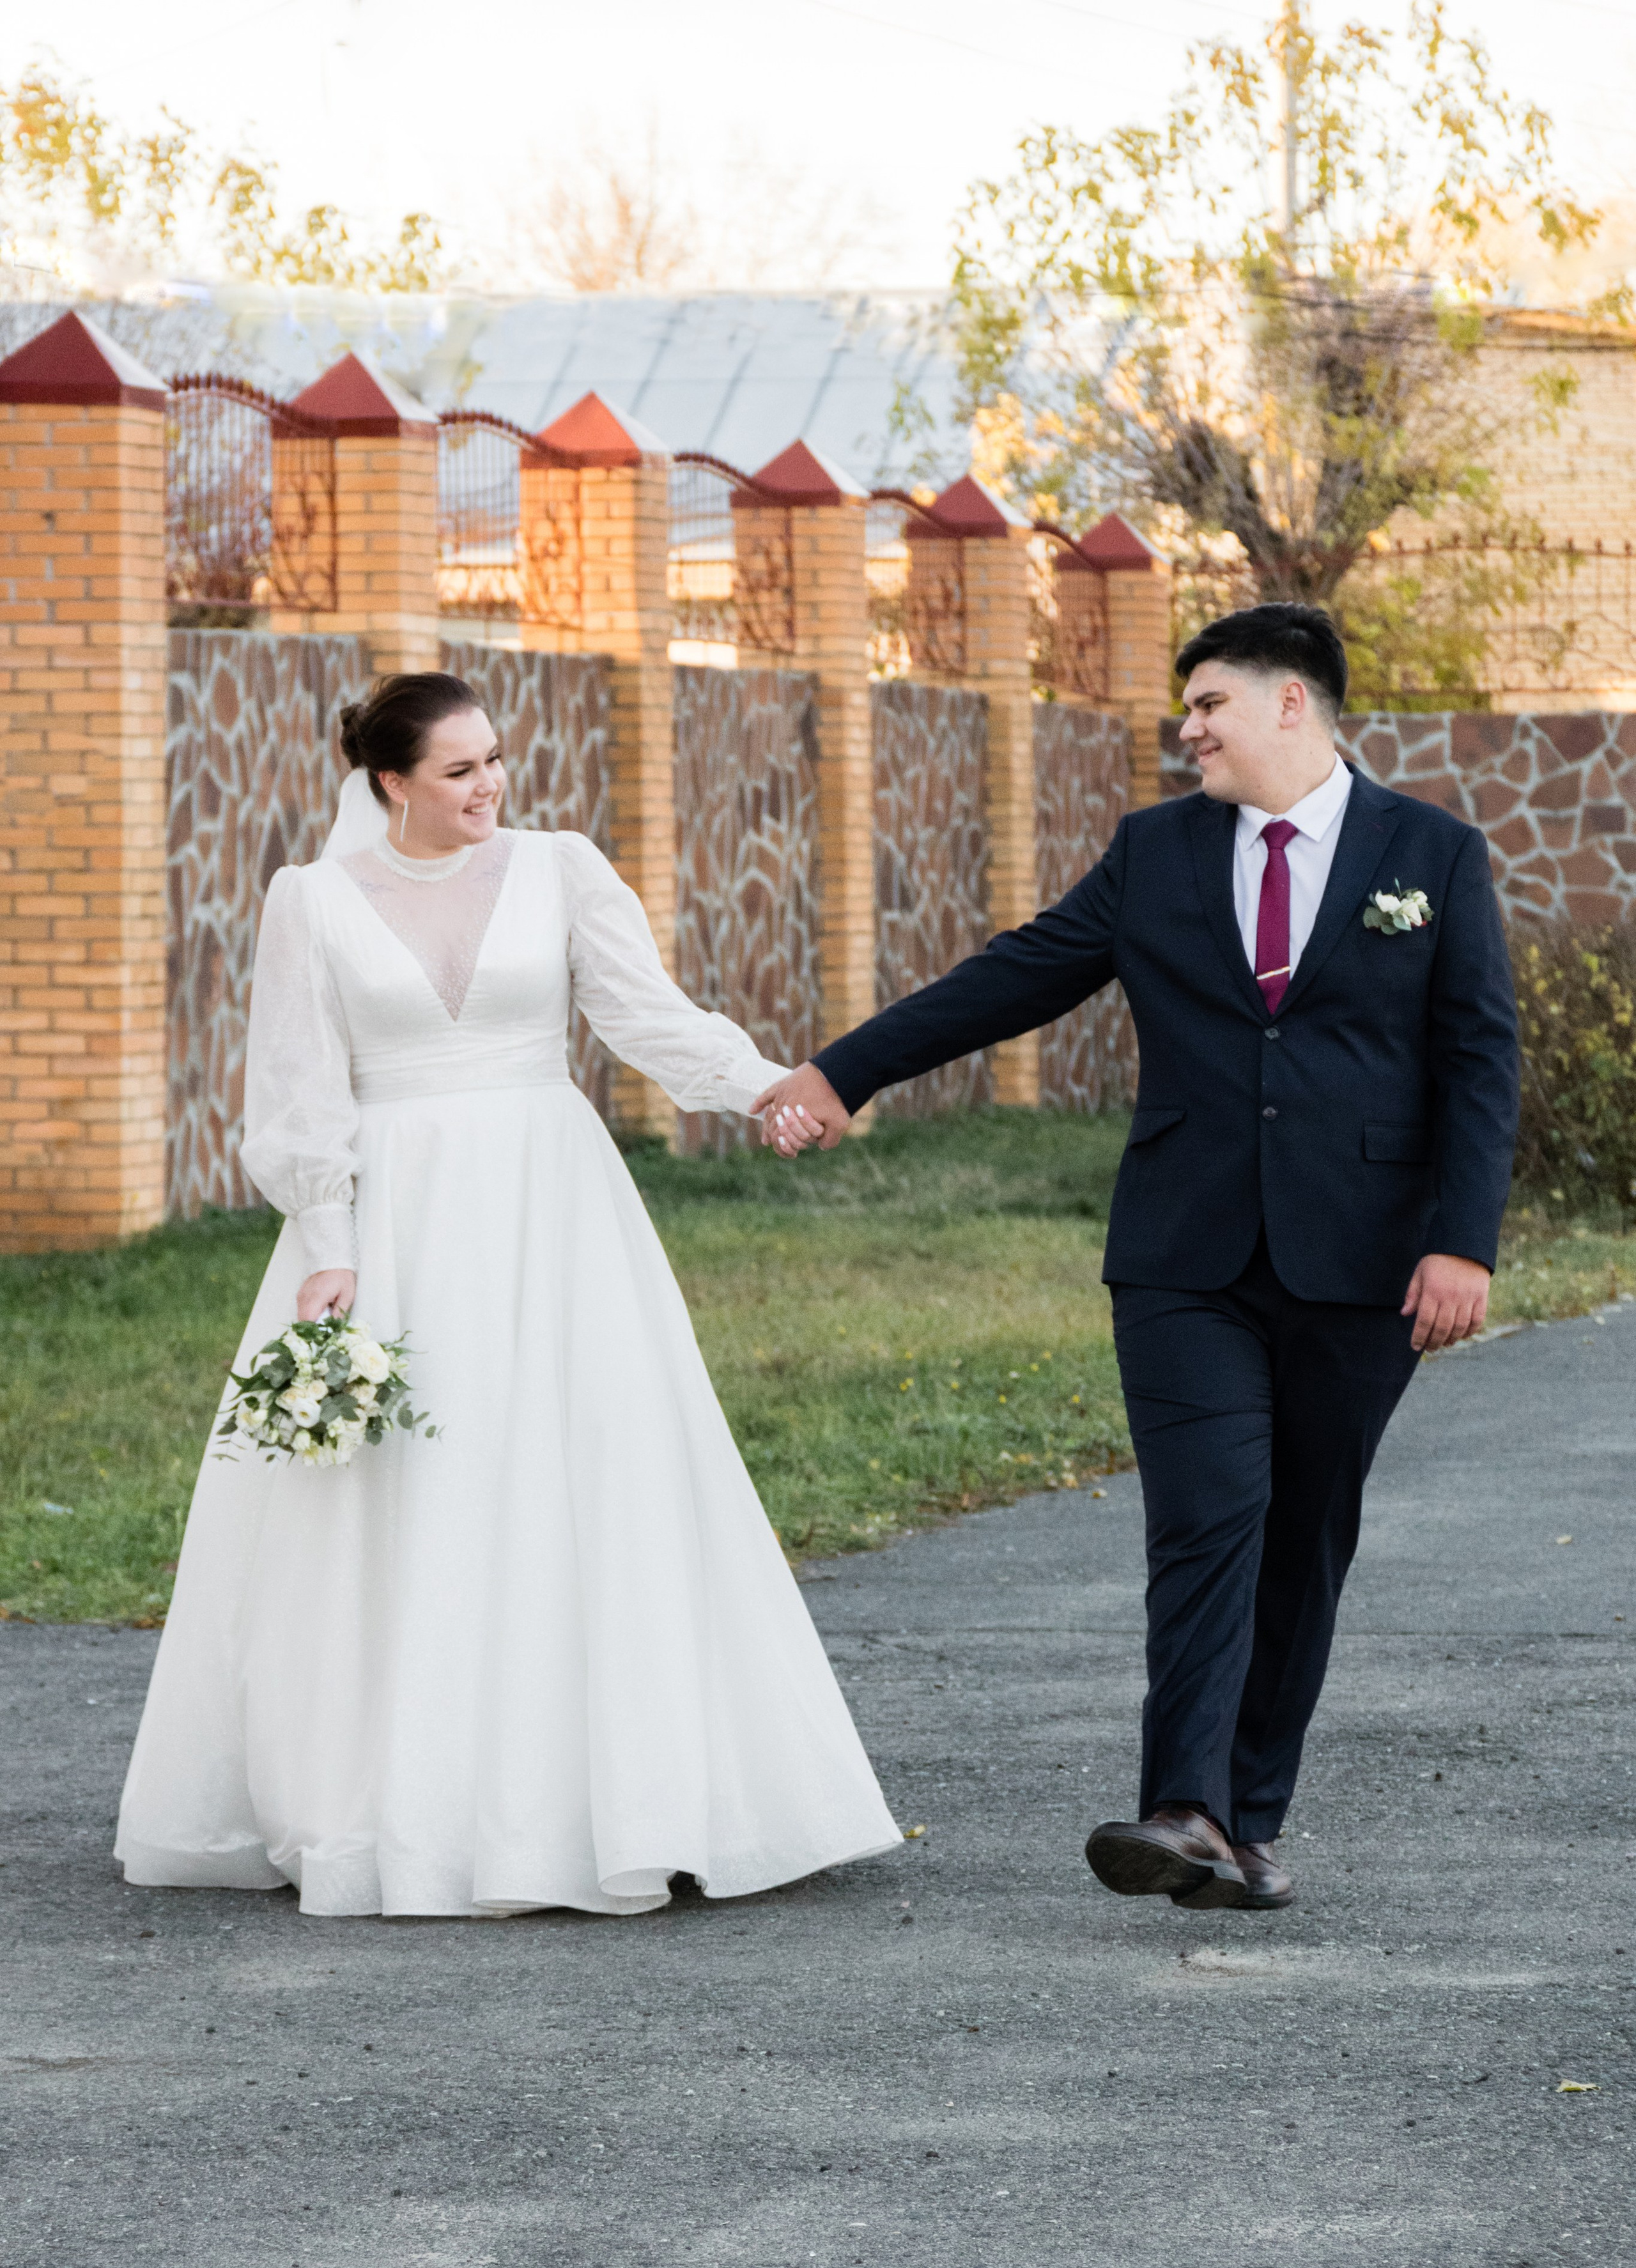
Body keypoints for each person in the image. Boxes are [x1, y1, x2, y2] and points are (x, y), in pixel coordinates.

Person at [753, 605, 1518, 1912]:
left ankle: (1242, 1820)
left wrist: (1460, 1240)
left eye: (1210, 702)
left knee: (1301, 1537)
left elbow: (1476, 1058)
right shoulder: (1153, 851)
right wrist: (842, 1073)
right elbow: (1019, 975)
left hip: (1363, 1259)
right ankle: (1182, 1809)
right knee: (1206, 1517)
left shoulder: (1429, 856)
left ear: (1292, 704)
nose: (1190, 727)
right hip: (1183, 1253)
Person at [116, 671, 902, 1919]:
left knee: (577, 1467)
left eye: (492, 761)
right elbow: (296, 1085)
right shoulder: (311, 900)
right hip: (394, 1218)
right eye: (457, 771)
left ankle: (617, 1799)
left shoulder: (562, 867)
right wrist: (326, 1237)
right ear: (390, 782)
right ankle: (402, 1803)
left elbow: (644, 1014)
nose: (487, 788)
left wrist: (767, 1088)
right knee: (407, 1492)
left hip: (552, 1208)